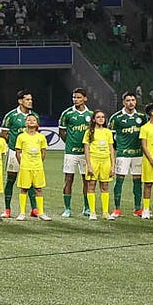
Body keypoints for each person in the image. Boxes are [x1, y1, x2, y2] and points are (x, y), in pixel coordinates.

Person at [108, 92, 146, 217]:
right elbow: (110, 138)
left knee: (137, 181)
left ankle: (137, 209)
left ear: (136, 102)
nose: (131, 102)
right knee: (119, 181)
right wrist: (115, 151)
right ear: (123, 102)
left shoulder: (142, 117)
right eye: (128, 100)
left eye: (133, 100)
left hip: (138, 154)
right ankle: (117, 209)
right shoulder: (116, 118)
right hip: (123, 154)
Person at [58, 88, 92, 218]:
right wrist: (70, 143)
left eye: (78, 97)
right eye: (74, 98)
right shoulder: (67, 114)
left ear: (85, 98)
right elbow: (62, 132)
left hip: (86, 153)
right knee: (68, 180)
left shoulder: (91, 114)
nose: (76, 100)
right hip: (71, 153)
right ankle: (67, 209)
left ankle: (87, 208)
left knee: (87, 180)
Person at [0, 91, 34, 218]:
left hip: (30, 154)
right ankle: (7, 209)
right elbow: (3, 135)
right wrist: (14, 145)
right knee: (11, 180)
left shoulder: (34, 116)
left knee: (31, 181)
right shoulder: (11, 116)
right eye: (27, 99)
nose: (30, 101)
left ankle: (34, 209)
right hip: (14, 152)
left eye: (31, 99)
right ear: (20, 101)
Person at [14, 114, 51, 221]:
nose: (31, 121)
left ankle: (41, 213)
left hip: (37, 167)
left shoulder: (41, 137)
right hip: (25, 167)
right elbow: (18, 153)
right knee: (24, 189)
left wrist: (38, 162)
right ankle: (22, 213)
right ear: (25, 123)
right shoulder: (21, 137)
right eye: (29, 120)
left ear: (37, 123)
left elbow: (43, 152)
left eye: (33, 120)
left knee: (38, 189)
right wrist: (23, 164)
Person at [83, 110, 115, 221]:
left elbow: (111, 149)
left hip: (105, 161)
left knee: (105, 186)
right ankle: (92, 212)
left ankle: (105, 213)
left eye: (103, 117)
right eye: (98, 117)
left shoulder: (108, 132)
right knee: (91, 186)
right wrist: (89, 165)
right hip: (93, 160)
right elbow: (86, 150)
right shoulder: (89, 132)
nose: (101, 119)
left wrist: (113, 165)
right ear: (93, 119)